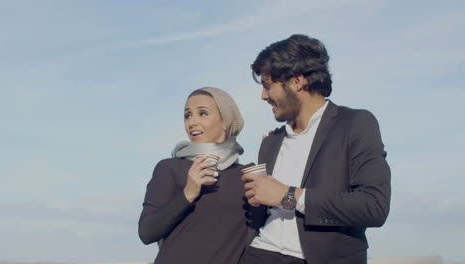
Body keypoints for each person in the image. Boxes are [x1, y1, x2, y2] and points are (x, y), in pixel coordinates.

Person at [240, 34, 391, 264]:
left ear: (297, 82)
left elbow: (373, 207)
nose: (263, 96)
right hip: (259, 254)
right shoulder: (270, 142)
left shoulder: (356, 124)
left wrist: (288, 195)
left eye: (268, 86)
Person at [139, 87, 259, 264]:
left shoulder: (246, 175)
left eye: (202, 113)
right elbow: (147, 232)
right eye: (188, 115)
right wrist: (188, 193)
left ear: (225, 121)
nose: (192, 122)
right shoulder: (170, 167)